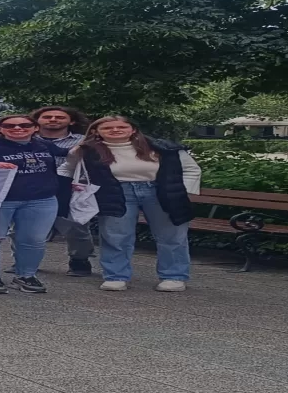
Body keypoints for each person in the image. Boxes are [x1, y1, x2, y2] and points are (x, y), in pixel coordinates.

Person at [71, 115, 201, 293]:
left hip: (160, 191)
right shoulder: (87, 151)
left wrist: (183, 192)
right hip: (116, 192)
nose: (115, 130)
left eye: (121, 127)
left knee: (171, 236)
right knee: (115, 236)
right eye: (108, 128)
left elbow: (191, 169)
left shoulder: (162, 147)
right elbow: (69, 169)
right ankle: (115, 277)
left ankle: (174, 276)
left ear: (132, 130)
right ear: (96, 131)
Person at [0, 114, 70, 294]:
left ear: (35, 128)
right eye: (10, 126)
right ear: (0, 129)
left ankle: (26, 275)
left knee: (34, 240)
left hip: (41, 199)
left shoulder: (44, 145)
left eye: (25, 125)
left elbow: (71, 155)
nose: (18, 128)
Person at [31, 106, 95, 277]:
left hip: (71, 188)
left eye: (59, 117)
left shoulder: (84, 141)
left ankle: (79, 260)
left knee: (76, 227)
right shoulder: (24, 139)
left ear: (71, 121)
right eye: (47, 117)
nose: (53, 119)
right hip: (33, 188)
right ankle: (24, 260)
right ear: (37, 120)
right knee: (23, 227)